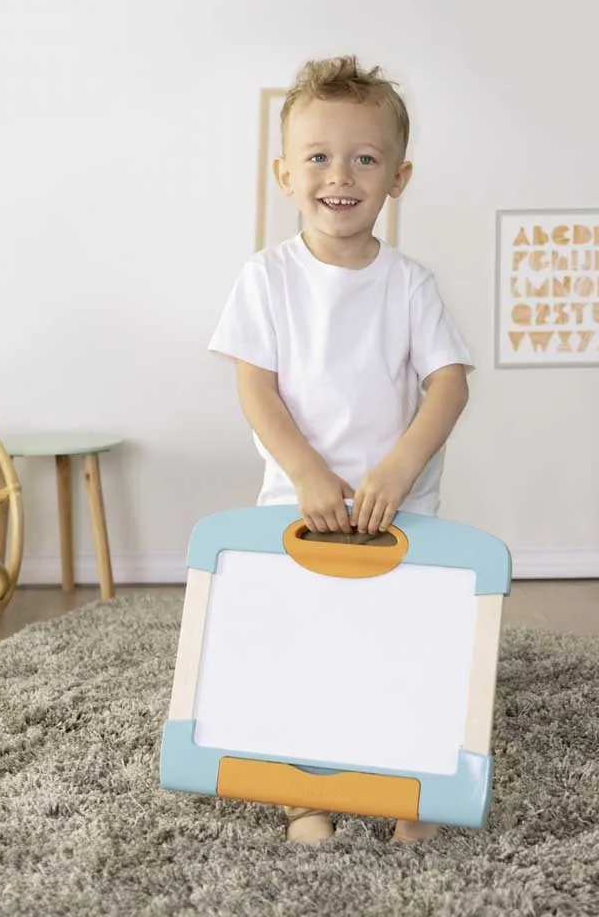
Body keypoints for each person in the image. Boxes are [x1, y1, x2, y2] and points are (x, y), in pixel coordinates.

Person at [208, 55, 474, 845]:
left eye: (364, 158)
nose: (340, 176)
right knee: (304, 650)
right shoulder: (266, 278)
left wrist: (399, 468)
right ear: (285, 173)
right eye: (319, 157)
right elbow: (257, 389)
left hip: (399, 513)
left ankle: (406, 791)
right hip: (300, 506)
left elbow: (449, 385)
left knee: (402, 652)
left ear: (398, 177)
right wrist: (307, 473)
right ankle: (305, 798)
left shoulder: (411, 284)